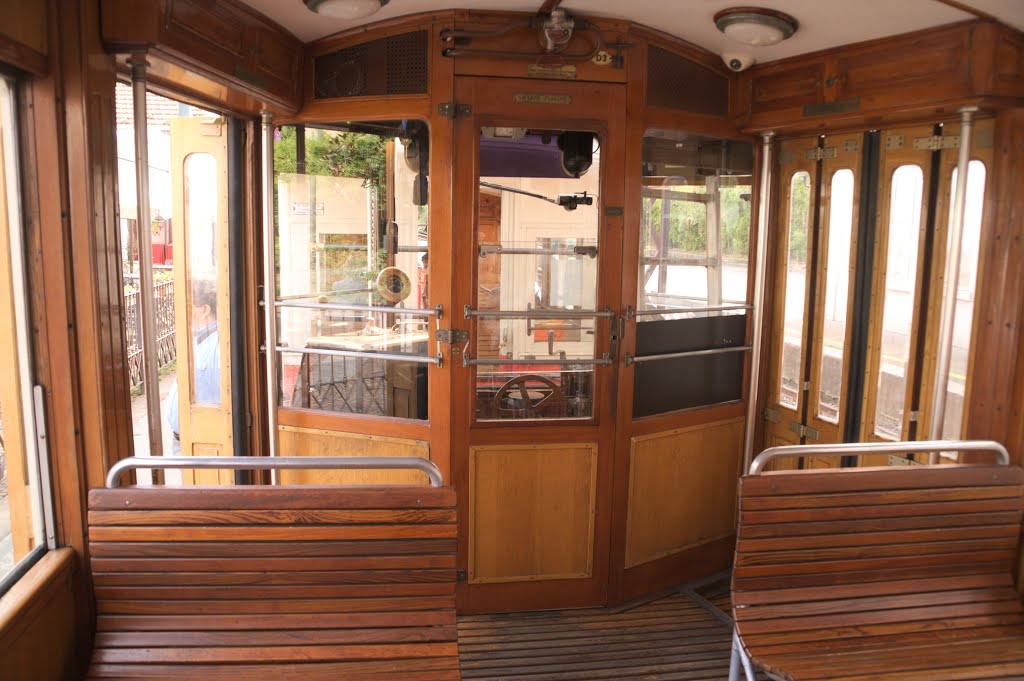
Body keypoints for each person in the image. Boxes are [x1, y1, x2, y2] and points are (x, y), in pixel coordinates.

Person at [166, 280, 221, 453]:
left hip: (203, 442)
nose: (181, 312)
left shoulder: (217, 344)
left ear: (205, 310)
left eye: (188, 305)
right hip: (186, 440)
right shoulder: (196, 339)